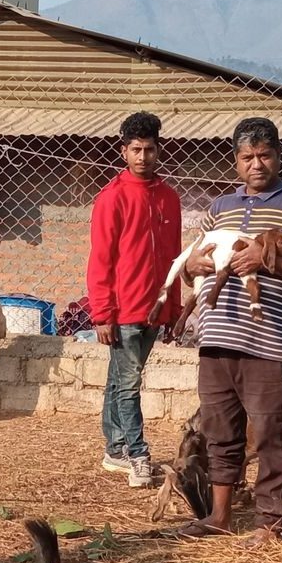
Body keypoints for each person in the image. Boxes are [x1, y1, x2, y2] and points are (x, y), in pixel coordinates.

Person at [174, 117, 282, 548]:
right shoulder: (219, 208)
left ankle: (271, 521)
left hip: (268, 340)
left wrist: (271, 264)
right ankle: (219, 515)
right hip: (216, 338)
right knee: (219, 429)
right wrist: (192, 268)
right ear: (235, 161)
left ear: (279, 155)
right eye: (247, 157)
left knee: (271, 432)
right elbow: (192, 266)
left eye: (264, 155)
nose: (256, 164)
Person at [86, 111, 183, 488]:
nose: (143, 157)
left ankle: (115, 449)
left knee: (119, 380)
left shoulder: (169, 198)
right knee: (128, 385)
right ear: (123, 151)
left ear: (159, 151)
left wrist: (173, 308)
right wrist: (102, 314)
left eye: (150, 150)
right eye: (136, 150)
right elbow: (101, 260)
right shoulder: (112, 198)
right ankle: (138, 455)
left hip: (155, 310)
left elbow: (175, 258)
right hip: (122, 311)